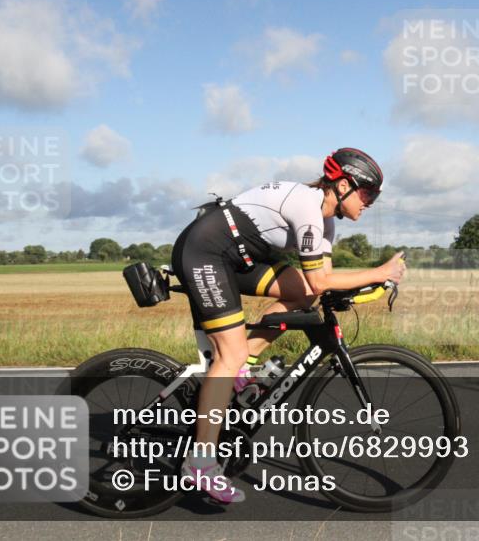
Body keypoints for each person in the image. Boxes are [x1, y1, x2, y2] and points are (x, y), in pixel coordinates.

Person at [171, 148, 405, 503]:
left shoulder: (325, 223)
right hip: (206, 252)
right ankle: (200, 463)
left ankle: (246, 363)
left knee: (301, 293)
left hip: (236, 258)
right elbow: (322, 281)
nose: (369, 203)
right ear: (343, 186)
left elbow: (317, 285)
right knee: (228, 355)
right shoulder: (308, 209)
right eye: (367, 193)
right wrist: (378, 272)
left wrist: (369, 288)